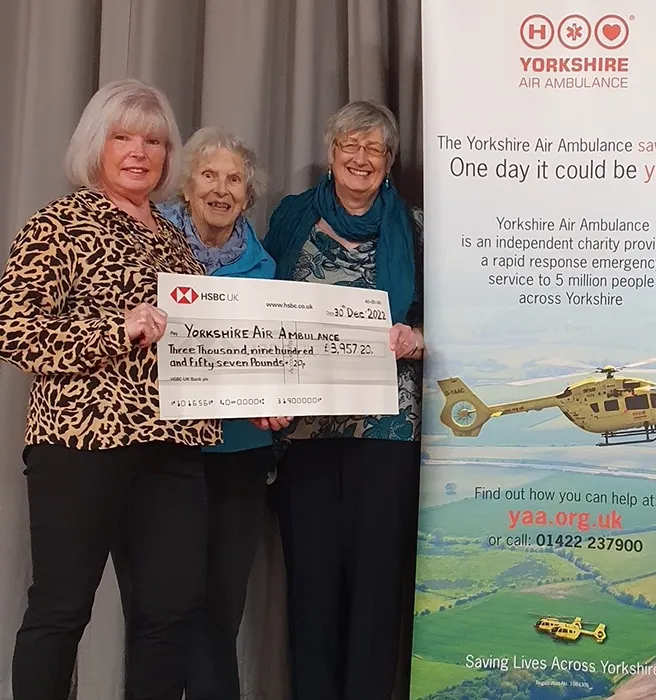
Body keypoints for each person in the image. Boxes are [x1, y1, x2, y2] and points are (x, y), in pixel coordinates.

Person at [0, 78, 217, 700]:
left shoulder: (178, 242)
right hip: (80, 444)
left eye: (153, 140)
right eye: (123, 136)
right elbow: (15, 331)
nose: (139, 152)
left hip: (174, 446)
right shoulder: (58, 225)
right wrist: (113, 328)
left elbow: (204, 349)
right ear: (96, 145)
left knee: (169, 615)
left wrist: (254, 402)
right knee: (62, 609)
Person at [258, 100, 424, 700]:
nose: (360, 158)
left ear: (388, 161)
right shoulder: (291, 218)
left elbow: (439, 325)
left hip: (385, 433)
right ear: (330, 156)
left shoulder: (415, 227)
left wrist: (416, 338)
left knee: (377, 588)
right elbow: (258, 307)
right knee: (312, 586)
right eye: (349, 146)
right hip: (302, 432)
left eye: (374, 149)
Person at [113, 126, 277, 700]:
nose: (221, 188)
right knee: (159, 611)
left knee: (219, 614)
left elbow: (273, 364)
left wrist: (280, 401)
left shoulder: (267, 273)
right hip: (161, 454)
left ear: (248, 194)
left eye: (234, 179)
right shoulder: (147, 248)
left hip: (239, 457)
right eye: (209, 175)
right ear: (185, 185)